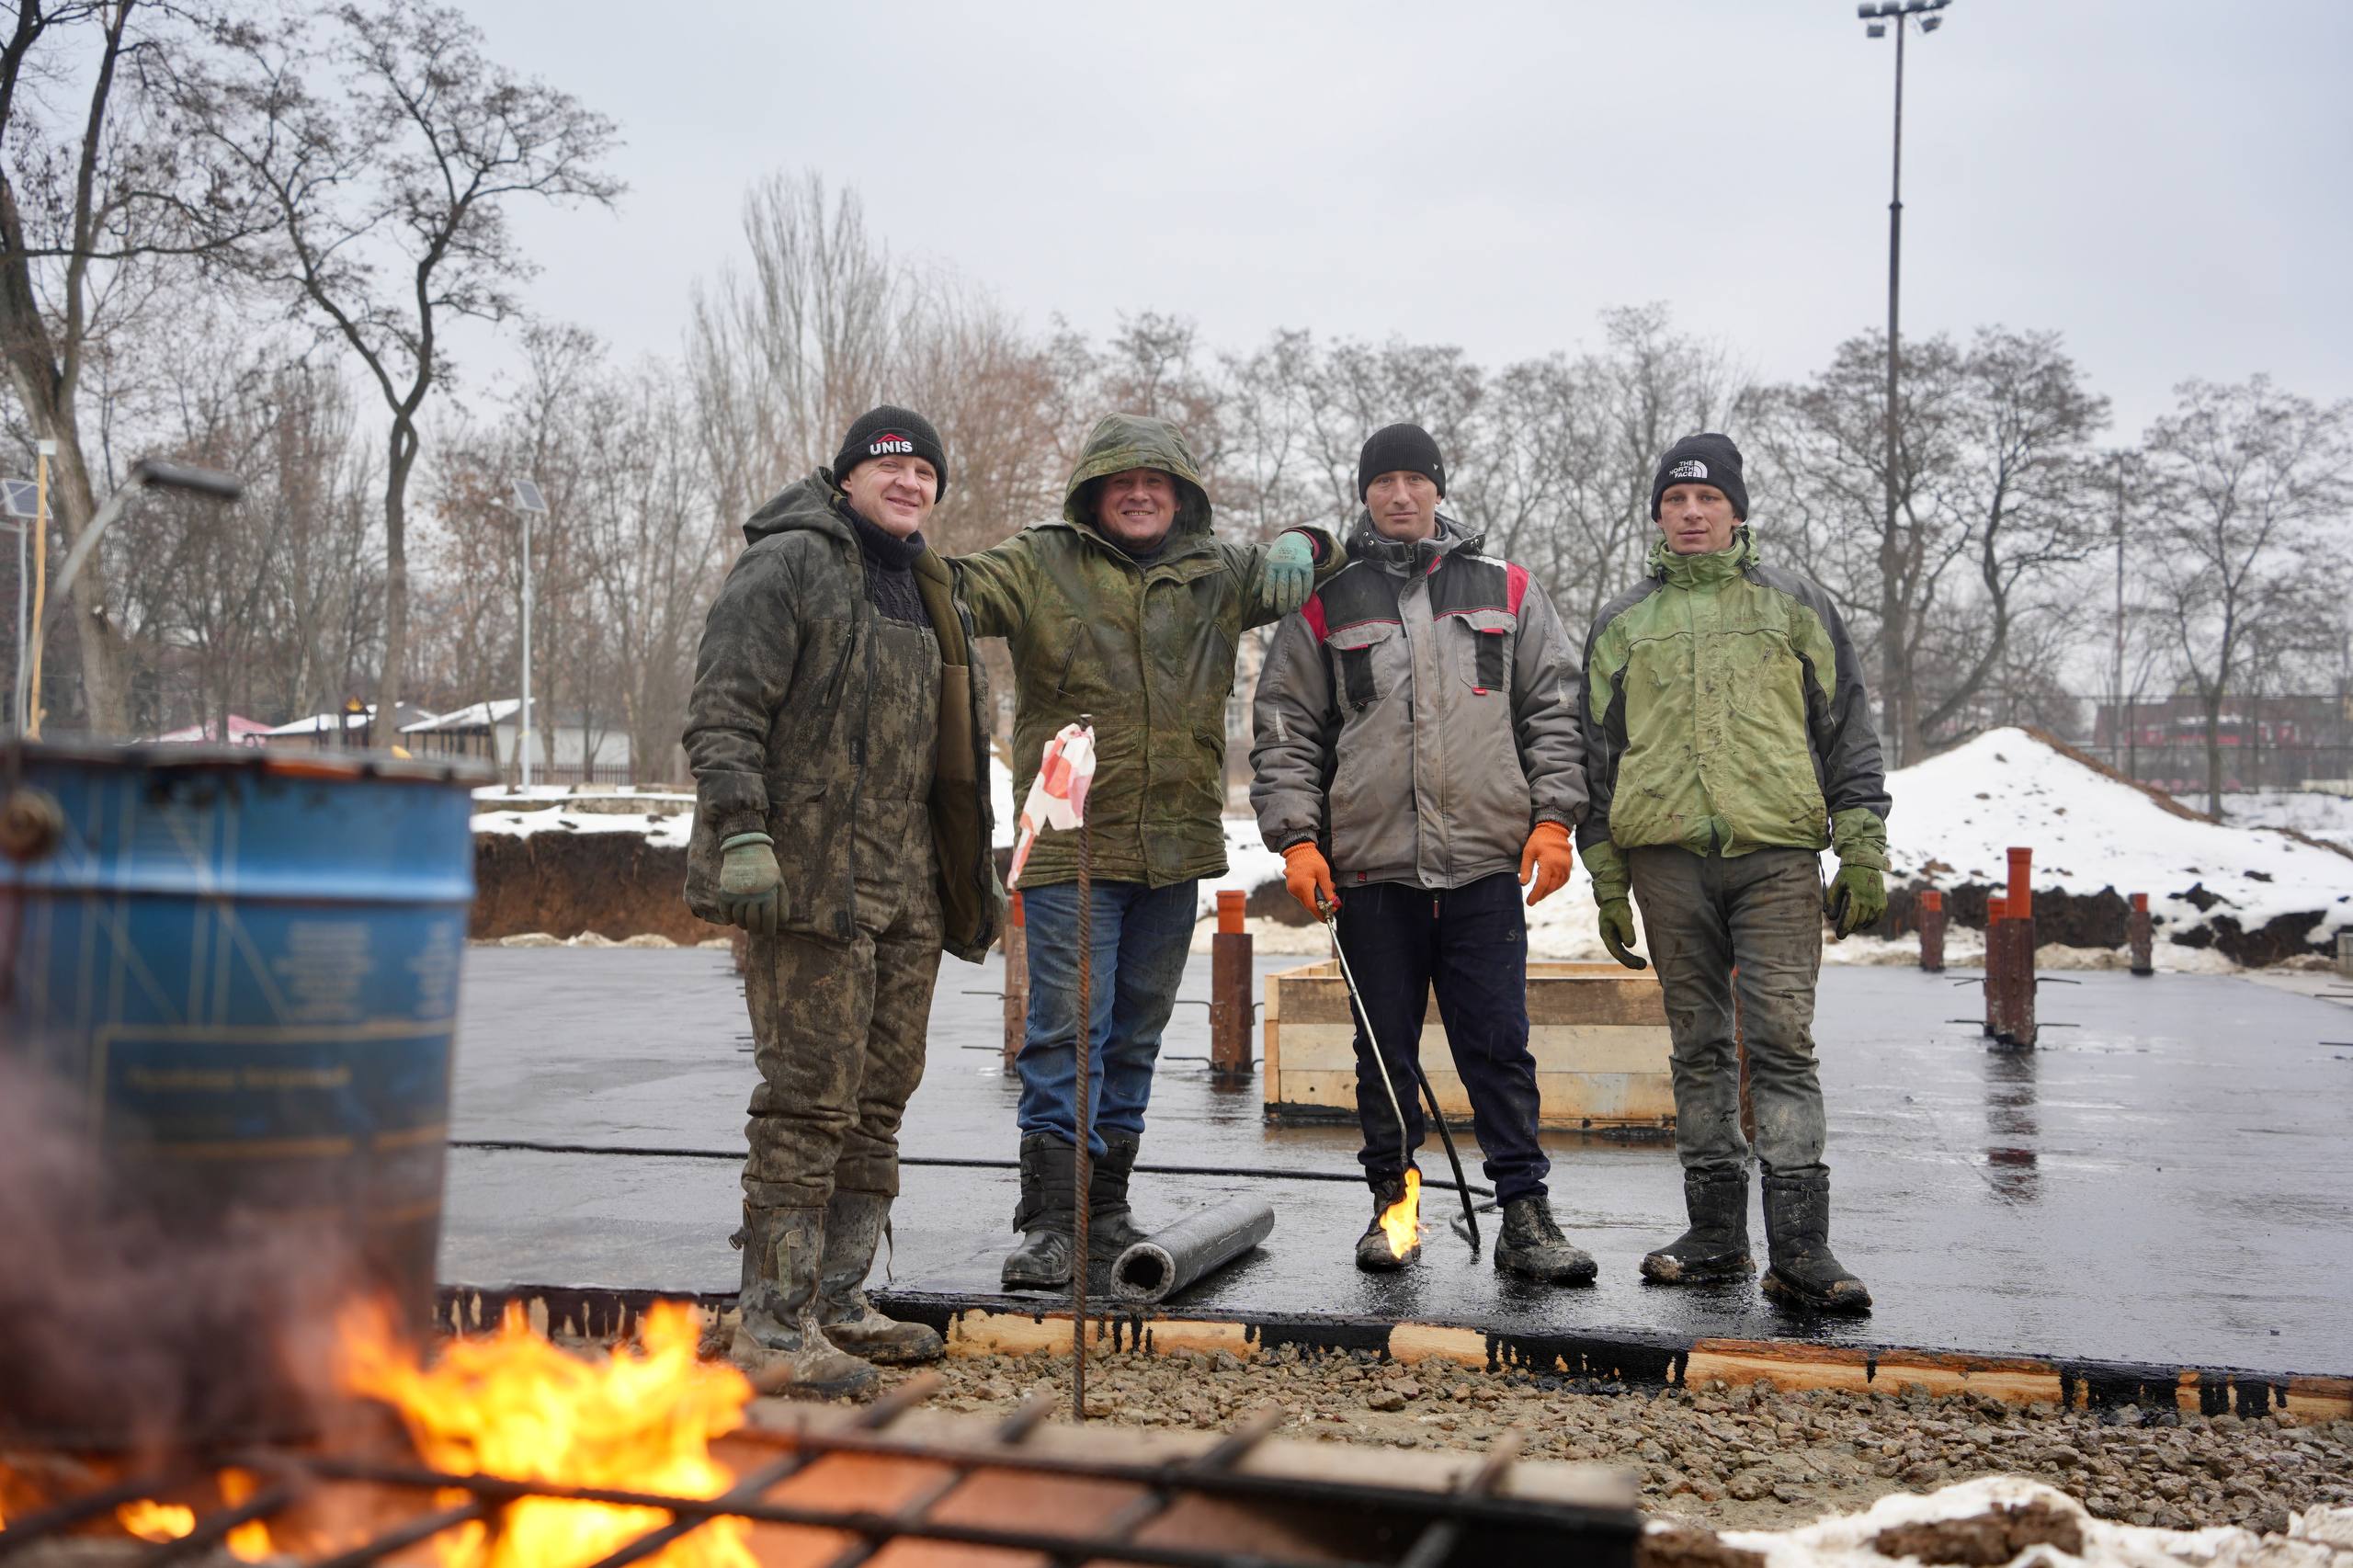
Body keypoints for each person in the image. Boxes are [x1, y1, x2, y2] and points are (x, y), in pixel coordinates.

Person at [953, 413, 1346, 1290]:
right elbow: (956, 591)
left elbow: (1336, 557)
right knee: (1067, 1032)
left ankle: (1106, 1209)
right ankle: (1051, 1222)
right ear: (1094, 494)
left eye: (1155, 483)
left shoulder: (1217, 573)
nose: (1138, 495)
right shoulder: (1041, 561)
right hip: (1073, 849)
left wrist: (1305, 539)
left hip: (1174, 848)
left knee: (1135, 1033)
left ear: (1181, 496)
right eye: (1122, 483)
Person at [684, 405, 1002, 1393]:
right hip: (808, 878)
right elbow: (724, 709)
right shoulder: (789, 562)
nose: (909, 484)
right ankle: (772, 1327)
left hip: (908, 883)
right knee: (807, 1098)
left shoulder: (930, 585)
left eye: (925, 473)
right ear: (850, 475)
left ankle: (837, 1299)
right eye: (889, 467)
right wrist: (742, 829)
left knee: (878, 1097)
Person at [1250, 423, 1595, 1282]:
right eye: (1384, 482)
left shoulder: (1508, 587)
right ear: (1364, 493)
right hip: (1370, 873)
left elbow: (1554, 709)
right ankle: (1394, 1211)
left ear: (1439, 488)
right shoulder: (1327, 601)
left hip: (1483, 866)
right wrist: (1298, 840)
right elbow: (1286, 729)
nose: (1400, 495)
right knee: (1385, 1055)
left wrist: (1555, 820)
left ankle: (1525, 1215)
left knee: (1499, 1046)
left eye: (1415, 479)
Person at [1576, 432, 1889, 1312]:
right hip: (1665, 862)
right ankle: (1715, 1237)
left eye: (1707, 498)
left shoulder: (1795, 604)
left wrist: (1863, 844)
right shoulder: (1623, 622)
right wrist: (1606, 876)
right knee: (1699, 1046)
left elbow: (1846, 728)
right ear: (1657, 516)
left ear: (1737, 511)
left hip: (1776, 858)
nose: (1691, 513)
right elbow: (1595, 757)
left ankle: (1802, 1248)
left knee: (1781, 1042)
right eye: (1674, 500)